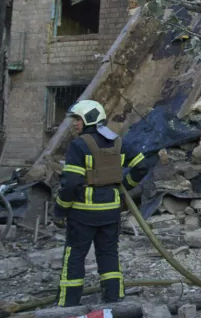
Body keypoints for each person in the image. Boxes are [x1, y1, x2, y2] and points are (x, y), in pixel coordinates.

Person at [55, 100, 152, 307]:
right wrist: (125, 184)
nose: (75, 124)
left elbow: (71, 183)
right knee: (108, 253)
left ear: (89, 120)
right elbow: (141, 166)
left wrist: (60, 209)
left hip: (82, 214)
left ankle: (67, 303)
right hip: (110, 213)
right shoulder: (117, 143)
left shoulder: (79, 145)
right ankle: (114, 298)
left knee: (75, 256)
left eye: (78, 119)